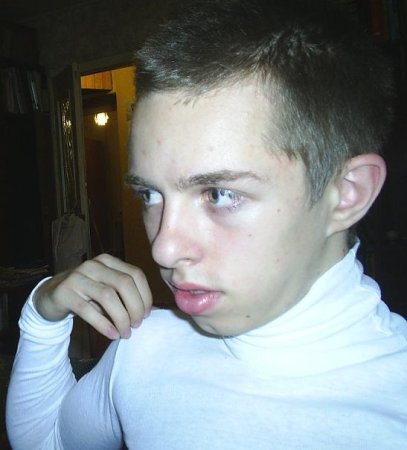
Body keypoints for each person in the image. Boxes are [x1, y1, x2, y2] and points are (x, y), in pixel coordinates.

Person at [6, 0, 407, 448]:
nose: (163, 248)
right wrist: (42, 315)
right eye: (149, 194)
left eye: (219, 194)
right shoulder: (146, 347)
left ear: (347, 193)